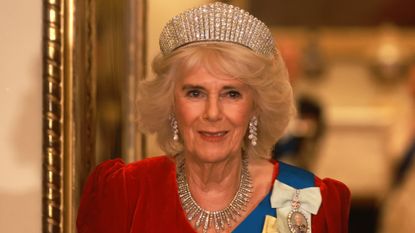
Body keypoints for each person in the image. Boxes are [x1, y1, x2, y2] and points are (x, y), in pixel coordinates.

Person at [76, 2, 350, 233]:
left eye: (231, 94)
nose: (212, 113)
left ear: (256, 107)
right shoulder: (126, 193)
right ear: (171, 103)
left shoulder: (307, 199)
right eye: (195, 93)